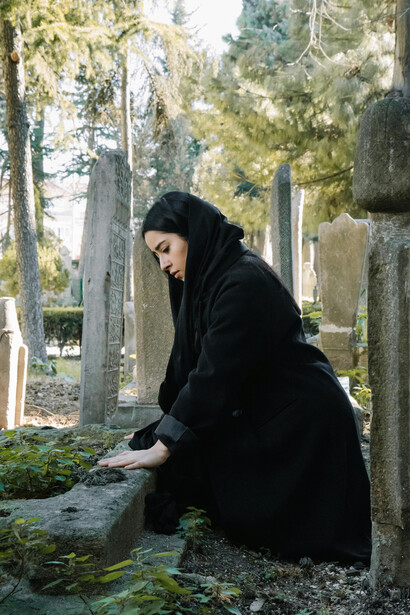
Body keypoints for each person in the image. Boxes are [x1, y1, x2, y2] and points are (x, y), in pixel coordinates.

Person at [99, 191, 371, 563]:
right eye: (156, 255)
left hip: (300, 423)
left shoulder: (243, 282)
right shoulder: (216, 277)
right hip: (271, 408)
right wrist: (164, 431)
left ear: (194, 235)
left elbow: (215, 375)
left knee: (238, 505)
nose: (163, 264)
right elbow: (195, 367)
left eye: (166, 248)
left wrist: (165, 445)